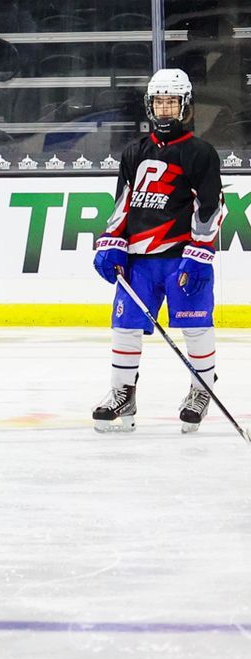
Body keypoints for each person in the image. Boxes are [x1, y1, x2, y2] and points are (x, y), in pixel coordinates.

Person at [92, 67, 222, 433]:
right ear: (150, 106)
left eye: (172, 102)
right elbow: (123, 203)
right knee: (125, 327)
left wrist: (199, 253)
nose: (165, 110)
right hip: (139, 262)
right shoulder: (135, 152)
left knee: (196, 327)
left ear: (185, 106)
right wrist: (111, 245)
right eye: (159, 102)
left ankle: (201, 389)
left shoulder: (199, 153)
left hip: (182, 260)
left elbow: (211, 207)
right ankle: (122, 392)